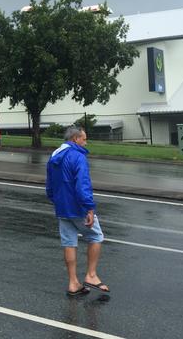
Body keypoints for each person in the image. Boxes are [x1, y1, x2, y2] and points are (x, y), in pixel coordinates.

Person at [46, 126, 110, 297]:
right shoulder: (78, 156)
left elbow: (50, 185)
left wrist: (57, 201)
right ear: (75, 139)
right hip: (78, 207)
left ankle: (73, 282)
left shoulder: (54, 155)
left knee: (69, 242)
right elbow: (82, 185)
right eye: (84, 139)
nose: (85, 142)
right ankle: (91, 275)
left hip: (61, 207)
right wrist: (89, 207)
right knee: (96, 236)